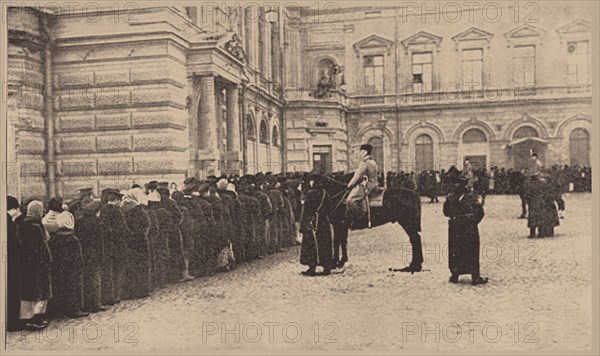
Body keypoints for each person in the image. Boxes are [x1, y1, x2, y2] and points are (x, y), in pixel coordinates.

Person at [443, 176, 488, 285]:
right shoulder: (471, 197)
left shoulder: (450, 197)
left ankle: (455, 275)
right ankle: (475, 277)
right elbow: (480, 213)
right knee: (471, 251)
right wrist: (472, 223)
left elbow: (445, 212)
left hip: (455, 228)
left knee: (455, 250)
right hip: (469, 229)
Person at [19, 200, 53, 330]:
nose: (43, 211)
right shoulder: (36, 226)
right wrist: (48, 260)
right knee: (40, 292)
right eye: (41, 209)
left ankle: (25, 319)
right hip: (38, 264)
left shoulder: (22, 224)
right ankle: (36, 319)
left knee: (28, 291)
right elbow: (43, 246)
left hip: (26, 264)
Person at [48, 211, 88, 318]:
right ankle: (74, 310)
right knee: (73, 288)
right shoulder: (73, 239)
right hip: (72, 269)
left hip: (58, 269)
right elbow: (78, 256)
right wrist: (80, 266)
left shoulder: (54, 238)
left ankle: (61, 309)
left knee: (60, 287)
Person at [120, 188, 152, 299]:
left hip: (127, 241)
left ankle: (128, 291)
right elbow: (147, 223)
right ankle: (142, 290)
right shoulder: (138, 210)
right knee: (141, 265)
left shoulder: (121, 209)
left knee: (129, 265)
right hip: (140, 241)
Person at [76, 200, 107, 313]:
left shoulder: (79, 222)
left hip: (82, 253)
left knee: (84, 279)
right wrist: (101, 256)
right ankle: (96, 304)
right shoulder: (97, 222)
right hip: (93, 254)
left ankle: (85, 304)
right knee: (95, 279)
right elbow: (100, 242)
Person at [300, 175, 334, 276]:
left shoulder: (310, 193)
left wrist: (303, 224)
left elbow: (306, 210)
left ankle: (312, 267)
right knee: (325, 243)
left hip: (312, 221)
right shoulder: (325, 193)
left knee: (311, 244)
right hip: (323, 222)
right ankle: (326, 267)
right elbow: (330, 208)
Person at [345, 144, 378, 223]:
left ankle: (359, 217)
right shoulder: (372, 161)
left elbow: (357, 176)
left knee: (351, 199)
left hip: (367, 184)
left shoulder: (364, 162)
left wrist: (349, 185)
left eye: (361, 151)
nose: (360, 153)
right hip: (374, 183)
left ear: (365, 152)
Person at [7, 196, 22, 331]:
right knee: (12, 292)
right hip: (11, 264)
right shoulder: (9, 223)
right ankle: (12, 322)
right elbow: (14, 245)